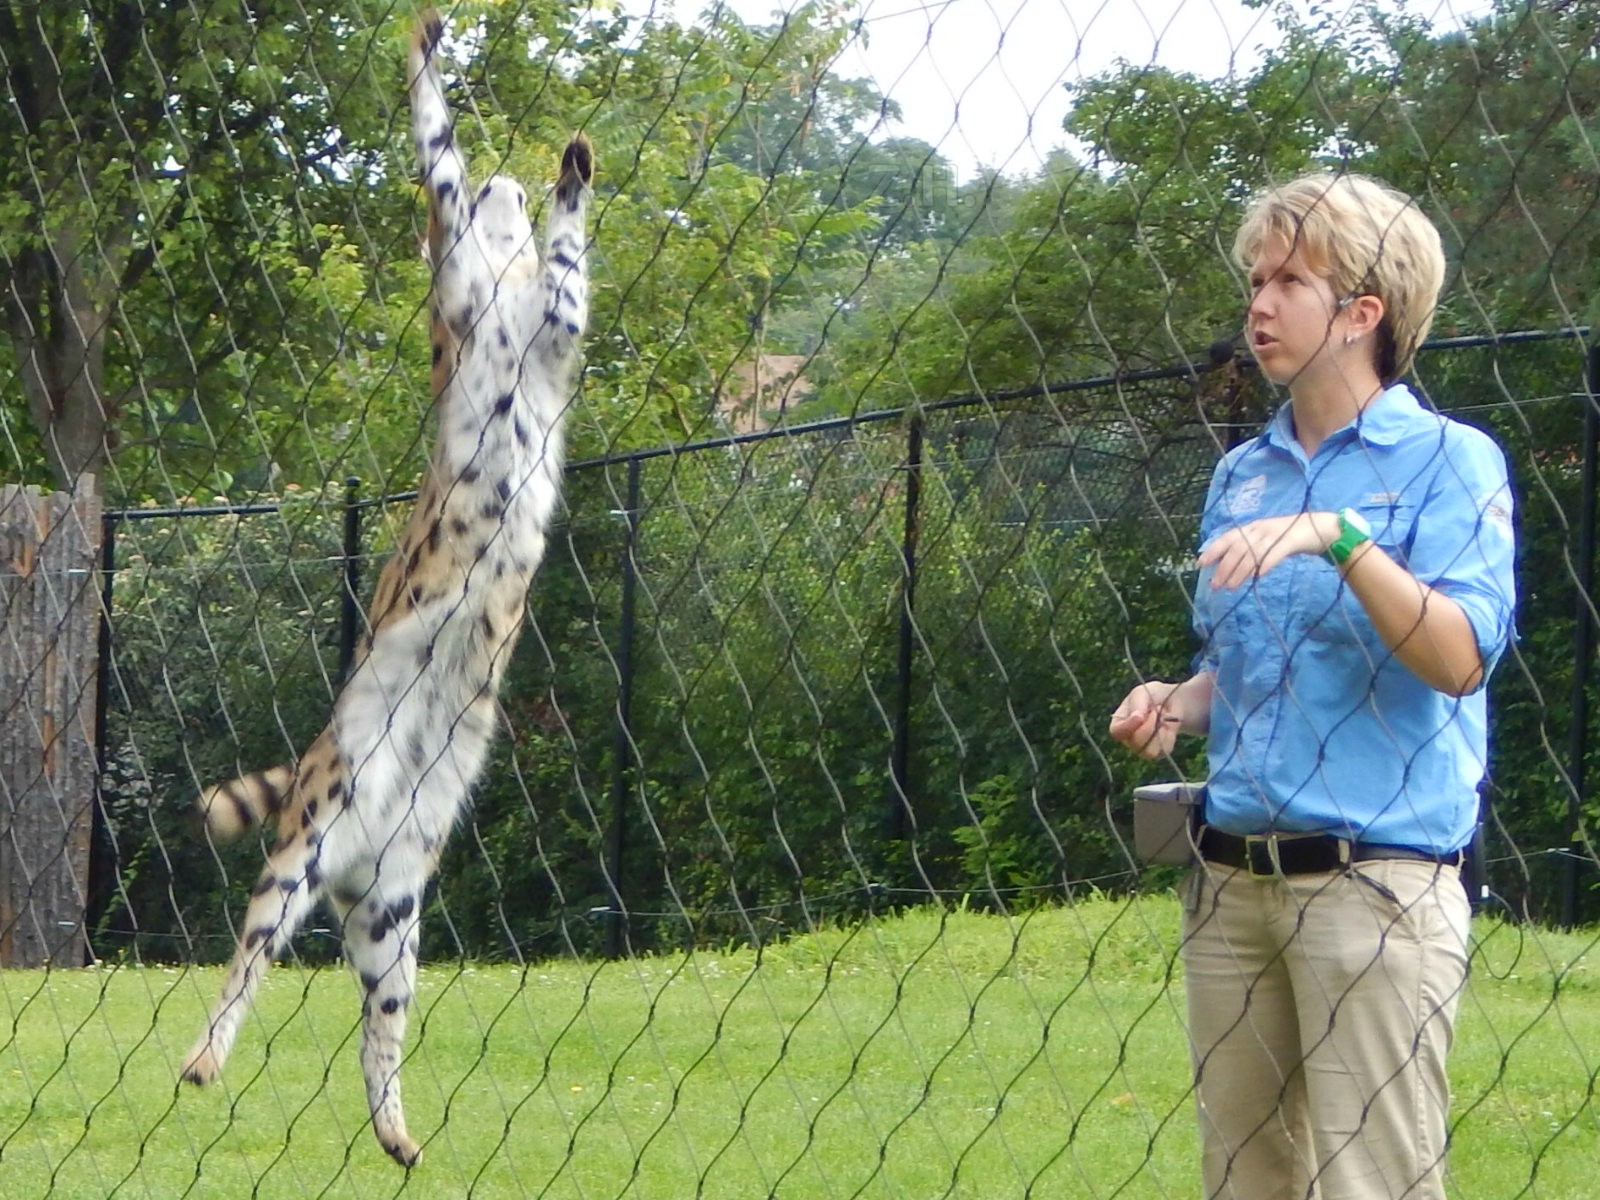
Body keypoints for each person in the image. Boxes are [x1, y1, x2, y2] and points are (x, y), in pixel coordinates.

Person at [1108, 172, 1517, 1200]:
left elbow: (1460, 654)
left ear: (1361, 313)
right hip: (1230, 887)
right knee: (1243, 1181)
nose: (1256, 304)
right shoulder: (1239, 474)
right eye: (1254, 278)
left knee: (1368, 1183)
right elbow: (1231, 672)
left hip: (1374, 888)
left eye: (1289, 279)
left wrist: (1339, 540)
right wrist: (1172, 701)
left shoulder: (1449, 463)